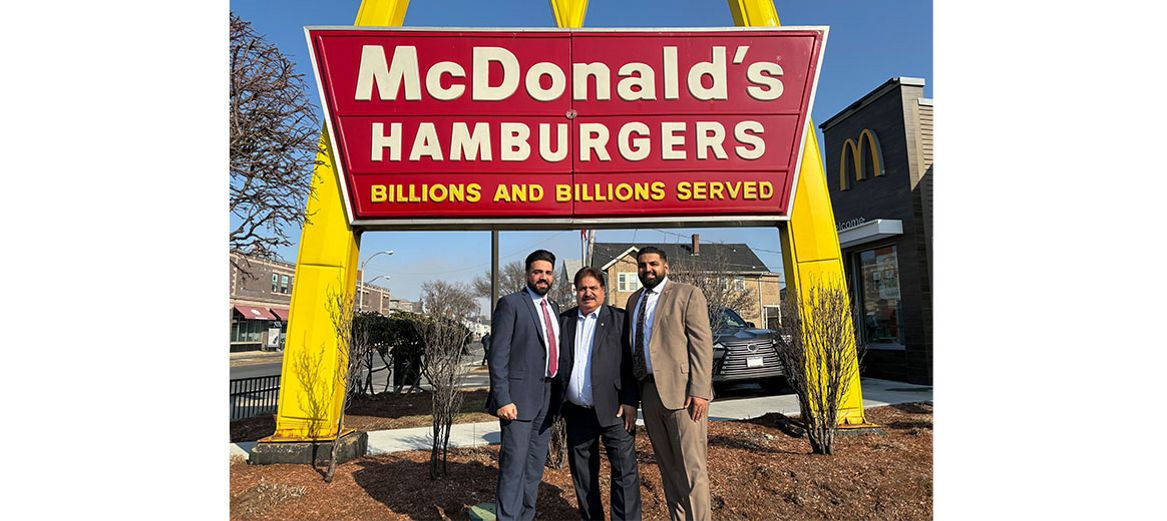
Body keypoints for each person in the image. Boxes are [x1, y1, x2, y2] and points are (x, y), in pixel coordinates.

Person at [625, 246, 714, 521]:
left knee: (691, 469)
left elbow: (702, 345)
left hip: (684, 395)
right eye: (642, 265)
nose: (647, 269)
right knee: (669, 469)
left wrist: (699, 390)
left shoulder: (687, 294)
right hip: (649, 393)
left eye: (653, 264)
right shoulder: (633, 300)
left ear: (666, 267)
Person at [555, 267, 641, 520]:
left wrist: (629, 401)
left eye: (593, 288)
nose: (588, 293)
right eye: (582, 288)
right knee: (583, 476)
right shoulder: (565, 320)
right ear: (576, 292)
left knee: (624, 473)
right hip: (577, 413)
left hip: (615, 411)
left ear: (603, 291)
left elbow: (630, 365)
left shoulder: (620, 320)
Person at [486, 249, 562, 521]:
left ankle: (526, 516)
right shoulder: (511, 304)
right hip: (517, 400)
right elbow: (498, 355)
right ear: (527, 274)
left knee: (533, 468)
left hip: (547, 397)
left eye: (548, 272)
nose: (543, 277)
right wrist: (502, 398)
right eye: (537, 272)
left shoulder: (553, 308)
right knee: (513, 466)